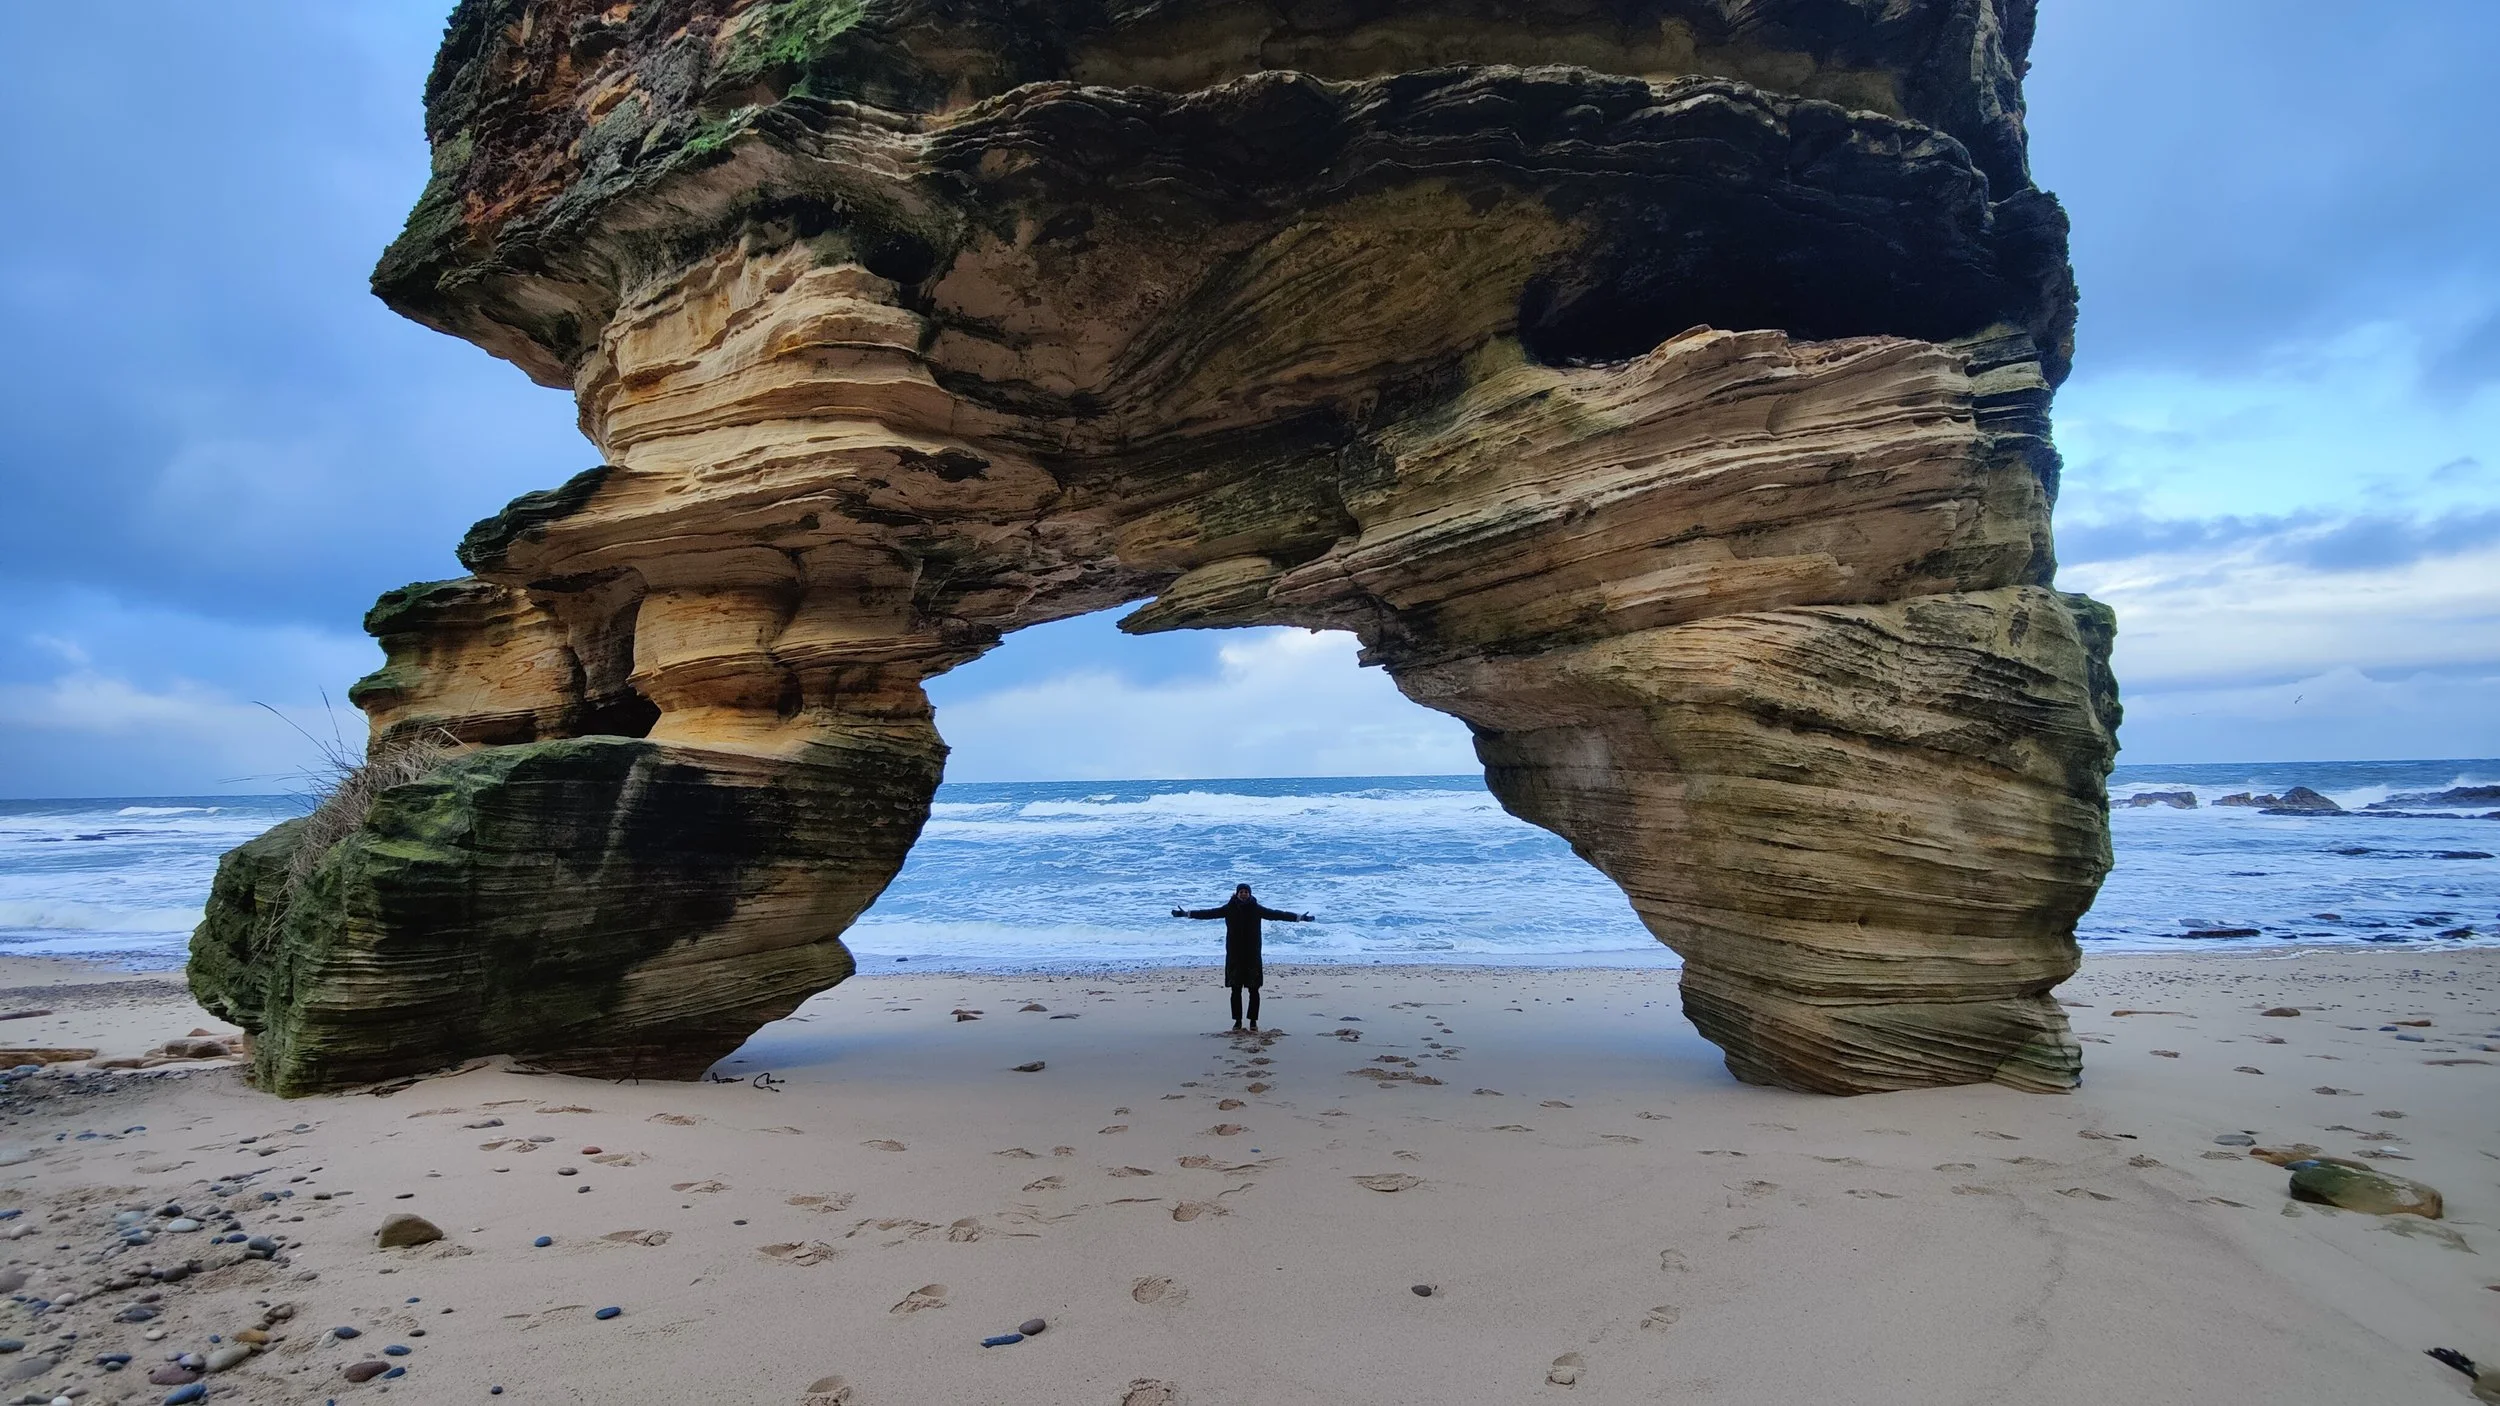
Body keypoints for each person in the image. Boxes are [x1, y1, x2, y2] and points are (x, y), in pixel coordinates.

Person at [1171, 883, 1313, 1032]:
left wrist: (1299, 917)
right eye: (1241, 892)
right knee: (1235, 990)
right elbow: (1208, 914)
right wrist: (1186, 914)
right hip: (1234, 955)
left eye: (1246, 892)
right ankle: (1237, 1022)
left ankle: (1253, 1022)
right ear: (1237, 893)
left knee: (1254, 990)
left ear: (1250, 894)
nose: (1244, 894)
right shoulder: (1229, 908)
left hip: (1253, 954)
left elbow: (1277, 914)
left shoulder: (1256, 909)